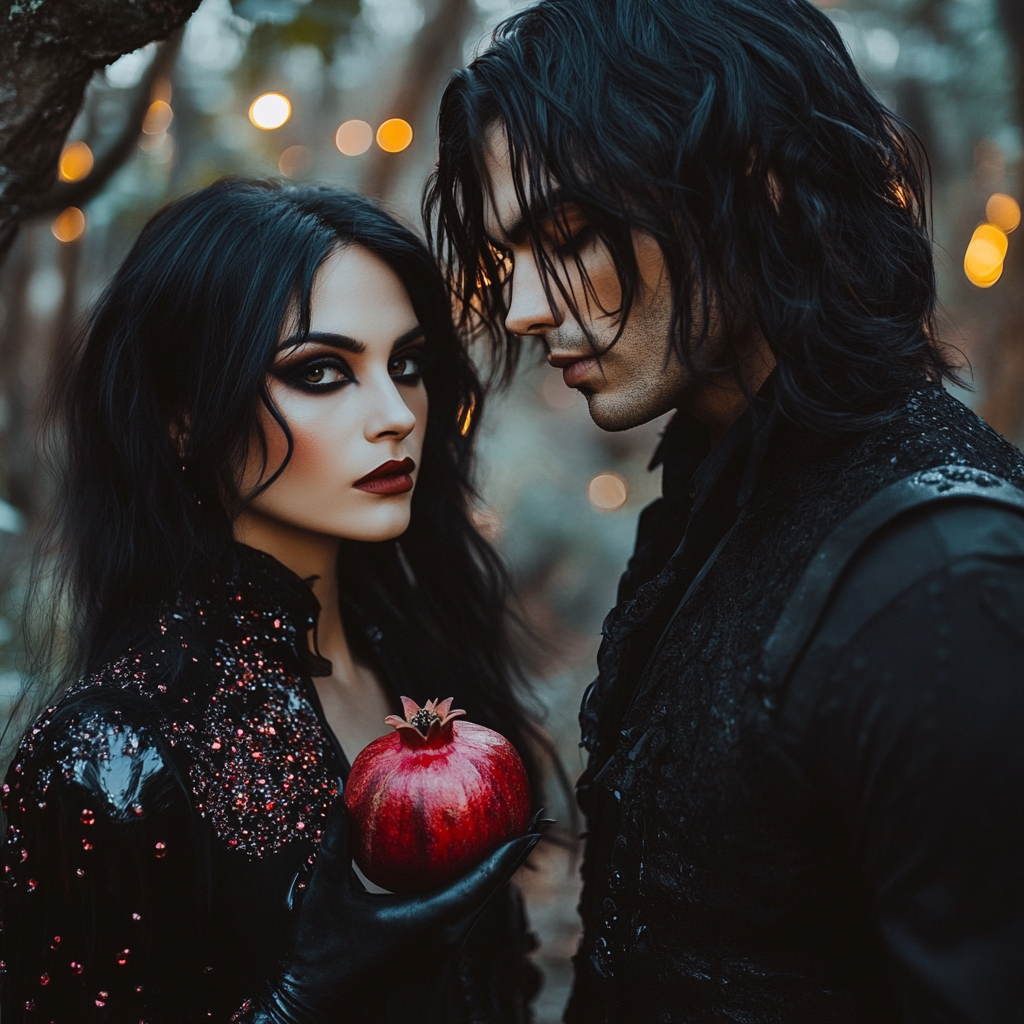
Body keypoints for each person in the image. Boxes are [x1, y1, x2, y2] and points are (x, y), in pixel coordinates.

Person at [424, 1, 1024, 1021]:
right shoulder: (715, 495)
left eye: (566, 230)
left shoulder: (941, 583)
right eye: (505, 255)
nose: (522, 305)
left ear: (761, 182)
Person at [1, 180, 549, 1023]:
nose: (396, 413)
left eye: (407, 364)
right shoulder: (109, 753)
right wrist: (298, 1007)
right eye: (322, 372)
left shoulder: (425, 664)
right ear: (183, 416)